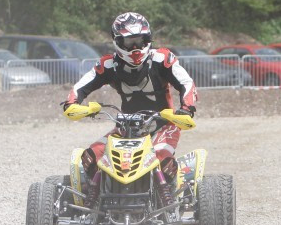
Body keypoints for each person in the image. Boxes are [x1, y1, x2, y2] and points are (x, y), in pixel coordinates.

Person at [64, 12, 198, 185]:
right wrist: (71, 104)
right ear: (118, 41)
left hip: (163, 125)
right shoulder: (108, 65)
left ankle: (169, 204)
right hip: (125, 128)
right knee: (90, 158)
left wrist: (186, 109)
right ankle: (95, 204)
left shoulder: (162, 59)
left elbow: (186, 82)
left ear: (148, 39)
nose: (135, 47)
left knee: (164, 164)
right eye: (129, 41)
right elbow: (82, 85)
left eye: (140, 41)